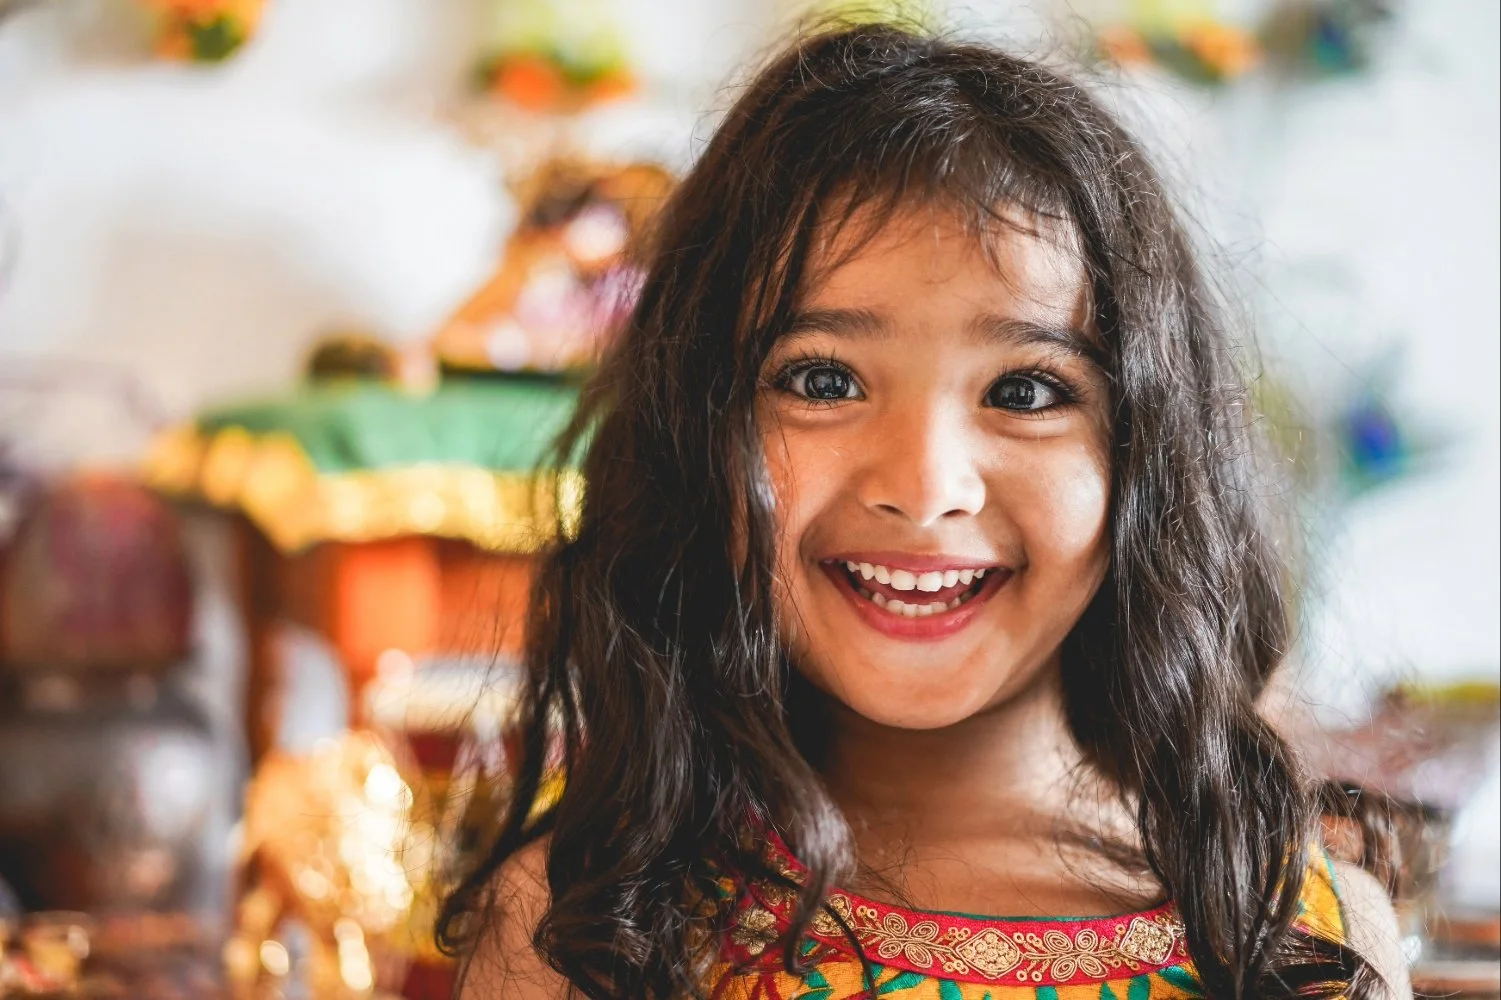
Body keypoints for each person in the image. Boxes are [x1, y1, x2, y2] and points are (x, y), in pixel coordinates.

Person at [439, 21, 1410, 1000]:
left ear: (1146, 457)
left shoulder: (1296, 934)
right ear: (693, 436)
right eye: (821, 379)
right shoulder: (584, 928)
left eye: (1026, 391)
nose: (924, 483)